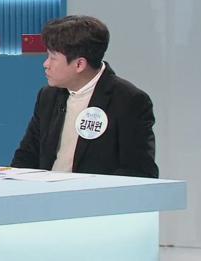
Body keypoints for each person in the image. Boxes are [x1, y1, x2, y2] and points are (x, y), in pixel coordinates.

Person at [11, 15, 158, 177]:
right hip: (45, 190)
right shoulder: (48, 96)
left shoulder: (129, 100)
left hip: (95, 192)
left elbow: (138, 171)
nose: (46, 64)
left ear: (79, 64)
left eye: (53, 58)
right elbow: (26, 156)